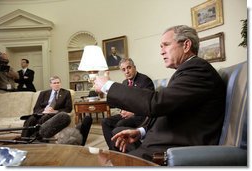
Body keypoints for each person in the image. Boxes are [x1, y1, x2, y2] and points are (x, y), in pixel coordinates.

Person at [94, 25, 226, 163]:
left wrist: (108, 85)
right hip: (164, 138)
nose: (161, 52)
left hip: (174, 150)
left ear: (186, 45)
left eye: (166, 45)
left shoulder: (198, 70)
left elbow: (155, 103)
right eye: (161, 47)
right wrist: (141, 132)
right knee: (118, 136)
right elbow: (170, 110)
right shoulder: (187, 70)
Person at [102, 58, 155, 150]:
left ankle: (127, 150)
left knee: (120, 124)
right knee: (105, 122)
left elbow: (148, 103)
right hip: (126, 114)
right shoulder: (124, 82)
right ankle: (113, 149)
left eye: (129, 68)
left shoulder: (145, 80)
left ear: (134, 67)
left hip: (140, 115)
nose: (126, 71)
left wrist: (133, 112)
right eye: (123, 70)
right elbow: (121, 101)